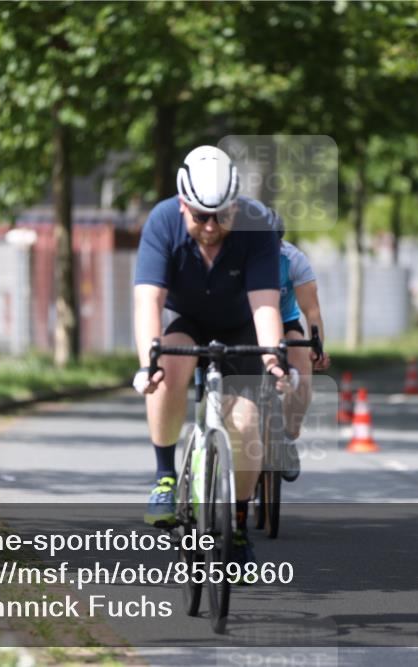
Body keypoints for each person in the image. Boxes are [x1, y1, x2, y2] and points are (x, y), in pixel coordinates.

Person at [132, 145, 289, 572]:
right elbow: (149, 300)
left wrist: (275, 361)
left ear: (235, 206)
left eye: (221, 215)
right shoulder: (162, 222)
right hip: (190, 321)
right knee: (168, 368)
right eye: (200, 215)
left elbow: (264, 306)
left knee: (245, 422)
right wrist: (149, 363)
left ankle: (237, 525)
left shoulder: (255, 225)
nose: (211, 226)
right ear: (183, 205)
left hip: (240, 327)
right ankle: (165, 475)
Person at [268, 210, 331, 482]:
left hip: (285, 321)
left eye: (274, 243)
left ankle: (288, 438)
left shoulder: (293, 259)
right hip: (245, 323)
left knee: (302, 376)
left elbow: (312, 310)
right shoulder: (236, 258)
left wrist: (316, 347)